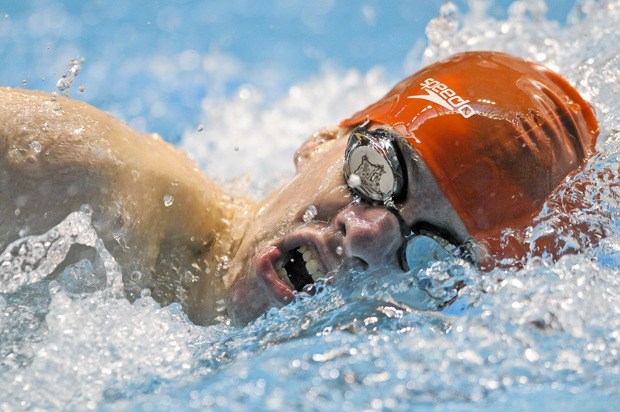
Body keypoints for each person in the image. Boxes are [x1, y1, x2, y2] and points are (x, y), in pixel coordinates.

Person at [0, 51, 599, 325]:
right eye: (379, 173)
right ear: (322, 142)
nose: (366, 236)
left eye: (432, 249)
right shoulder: (73, 176)